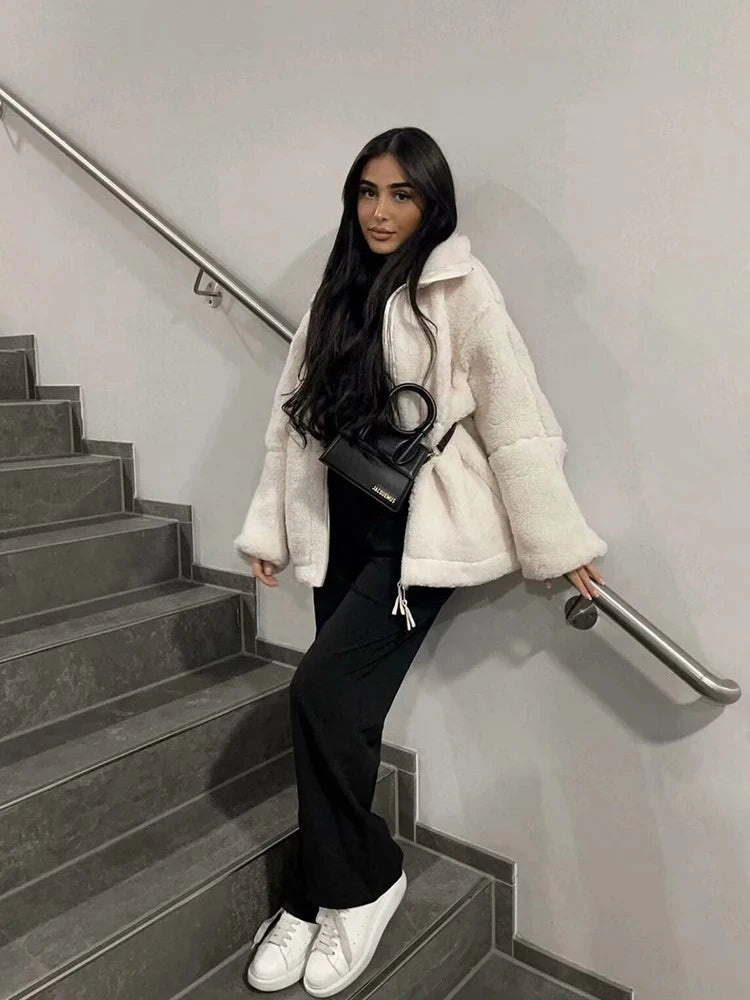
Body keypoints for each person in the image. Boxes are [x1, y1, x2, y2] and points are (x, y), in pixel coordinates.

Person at [234, 126, 607, 996]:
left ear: (432, 203)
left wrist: (559, 542)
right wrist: (270, 528)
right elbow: (293, 419)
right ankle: (312, 895)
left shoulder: (460, 286)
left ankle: (361, 882)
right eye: (368, 191)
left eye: (401, 194)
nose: (380, 210)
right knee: (345, 716)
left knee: (318, 690)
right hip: (342, 525)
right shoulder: (336, 288)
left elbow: (515, 417)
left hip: (417, 542)